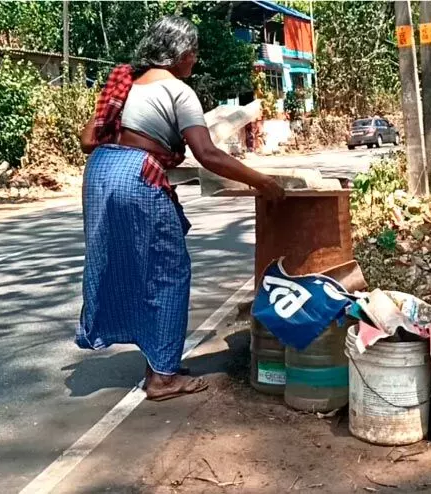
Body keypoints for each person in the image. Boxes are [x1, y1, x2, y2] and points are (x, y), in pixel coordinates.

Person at [76, 16, 283, 401]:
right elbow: (206, 153)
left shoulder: (124, 84)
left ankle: (159, 358)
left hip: (101, 174)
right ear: (183, 54)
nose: (196, 60)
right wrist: (263, 181)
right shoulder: (179, 91)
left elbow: (89, 139)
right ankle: (163, 378)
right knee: (168, 271)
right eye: (195, 52)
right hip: (137, 176)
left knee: (122, 265)